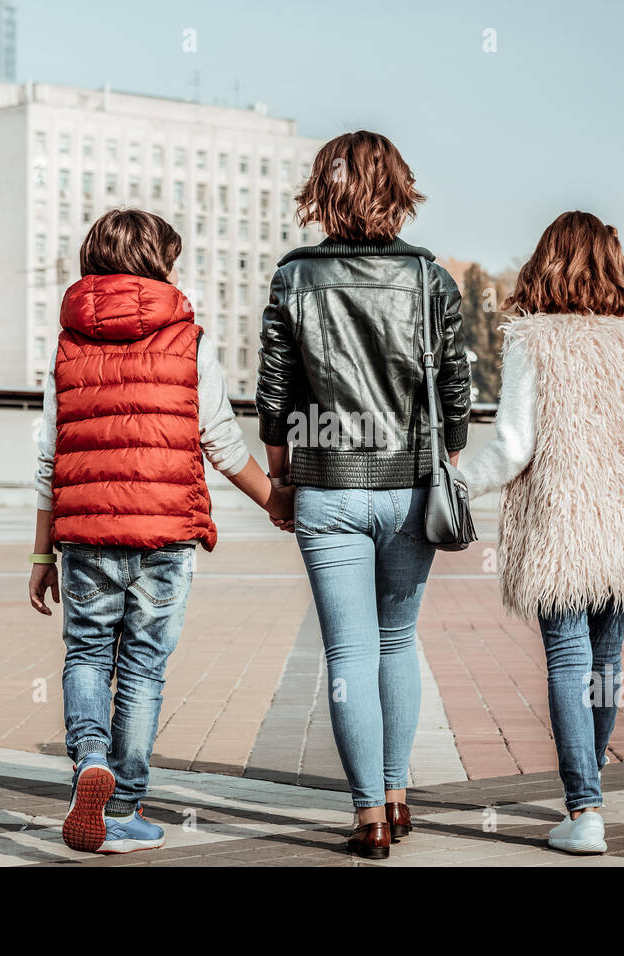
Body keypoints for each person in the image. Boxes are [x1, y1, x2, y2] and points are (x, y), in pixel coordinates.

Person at [28, 208, 291, 854]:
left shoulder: (69, 344)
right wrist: (276, 502)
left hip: (85, 535)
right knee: (144, 669)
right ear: (157, 265)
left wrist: (40, 552)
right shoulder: (189, 341)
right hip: (166, 537)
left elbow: (48, 456)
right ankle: (122, 809)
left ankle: (90, 757)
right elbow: (223, 443)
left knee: (87, 653)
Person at [256, 131, 472, 859]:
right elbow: (456, 393)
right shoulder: (431, 279)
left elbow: (276, 391)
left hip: (326, 485)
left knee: (347, 654)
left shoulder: (294, 278)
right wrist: (442, 453)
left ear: (325, 191)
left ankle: (368, 817)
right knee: (397, 643)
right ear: (399, 190)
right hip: (411, 484)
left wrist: (281, 477)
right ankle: (399, 791)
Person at [460, 210, 624, 855]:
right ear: (613, 266)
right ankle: (588, 798)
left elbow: (512, 448)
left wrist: (454, 487)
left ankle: (583, 807)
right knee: (607, 664)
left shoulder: (532, 340)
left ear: (548, 263)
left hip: (560, 530)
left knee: (568, 661)